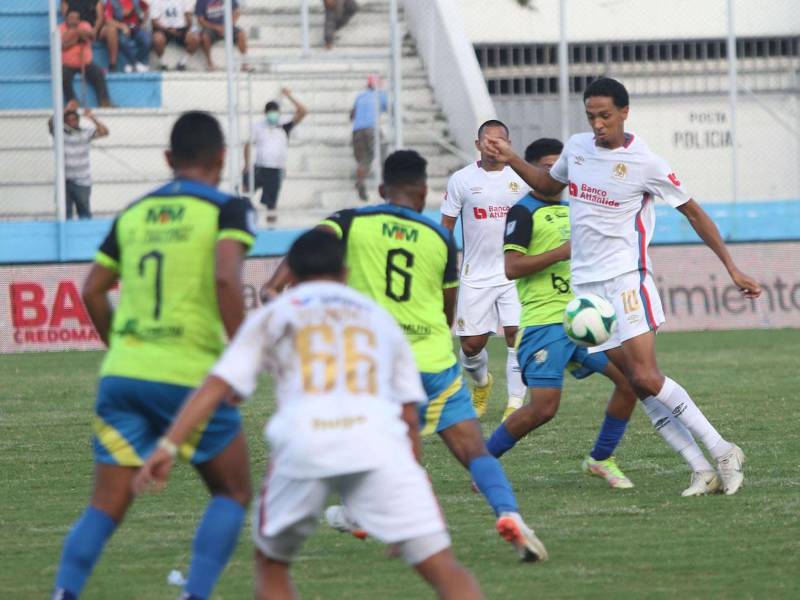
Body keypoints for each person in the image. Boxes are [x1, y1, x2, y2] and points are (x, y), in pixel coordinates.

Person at [134, 229, 484, 600]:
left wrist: (168, 446)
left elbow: (216, 386)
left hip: (304, 442)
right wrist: (411, 488)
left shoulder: (277, 313)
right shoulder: (380, 318)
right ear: (345, 273)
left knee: (271, 565)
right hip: (378, 444)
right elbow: (408, 414)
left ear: (293, 277)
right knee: (443, 567)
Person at [262, 150, 549, 562]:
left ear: (382, 188)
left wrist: (278, 293)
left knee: (363, 445)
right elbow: (447, 311)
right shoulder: (439, 238)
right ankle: (509, 513)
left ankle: (375, 513)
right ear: (423, 191)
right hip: (433, 360)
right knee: (474, 451)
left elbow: (304, 253)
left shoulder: (350, 221)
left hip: (374, 363)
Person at [485, 77, 761, 495]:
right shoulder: (577, 148)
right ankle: (700, 468)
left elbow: (693, 212)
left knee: (646, 376)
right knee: (636, 381)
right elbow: (547, 185)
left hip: (627, 281)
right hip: (587, 294)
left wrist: (731, 267)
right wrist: (511, 159)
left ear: (624, 113)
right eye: (591, 116)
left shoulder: (645, 162)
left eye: (605, 116)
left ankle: (723, 450)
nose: (597, 124)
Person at [51, 111, 256, 600]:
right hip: (189, 377)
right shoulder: (228, 209)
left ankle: (63, 593)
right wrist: (244, 358)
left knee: (105, 506)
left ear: (168, 159)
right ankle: (195, 594)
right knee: (233, 492)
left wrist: (122, 349)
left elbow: (92, 290)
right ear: (222, 157)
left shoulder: (134, 212)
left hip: (123, 374)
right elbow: (226, 277)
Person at [441, 120, 529, 422]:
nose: (493, 146)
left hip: (514, 272)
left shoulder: (522, 177)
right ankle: (481, 383)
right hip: (476, 273)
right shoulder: (462, 180)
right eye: (487, 141)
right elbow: (446, 228)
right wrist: (442, 266)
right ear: (477, 144)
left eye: (499, 141)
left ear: (508, 144)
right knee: (471, 346)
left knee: (516, 335)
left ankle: (515, 403)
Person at [243, 88, 308, 224]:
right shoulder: (258, 126)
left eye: (275, 111)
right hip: (259, 167)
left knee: (271, 205)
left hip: (275, 169)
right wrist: (246, 165)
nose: (273, 114)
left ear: (279, 113)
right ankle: (245, 221)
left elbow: (303, 111)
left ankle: (271, 228)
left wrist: (289, 96)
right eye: (270, 112)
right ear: (265, 113)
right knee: (244, 192)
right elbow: (248, 144)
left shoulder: (284, 126)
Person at [48, 101, 110, 220]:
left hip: (82, 182)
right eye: (68, 120)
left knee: (84, 213)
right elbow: (51, 123)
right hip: (64, 182)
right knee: (65, 215)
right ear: (64, 122)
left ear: (78, 120)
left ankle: (86, 232)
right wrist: (66, 109)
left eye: (74, 120)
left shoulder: (85, 133)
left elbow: (104, 132)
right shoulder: (59, 134)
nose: (71, 122)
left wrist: (92, 118)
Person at [60, 10, 113, 108]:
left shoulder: (85, 25)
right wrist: (77, 36)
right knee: (63, 77)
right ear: (66, 19)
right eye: (70, 18)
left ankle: (104, 101)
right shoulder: (60, 28)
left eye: (75, 18)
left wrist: (75, 35)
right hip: (68, 65)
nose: (72, 21)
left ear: (79, 20)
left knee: (98, 74)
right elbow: (63, 45)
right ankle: (72, 101)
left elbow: (91, 36)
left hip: (86, 63)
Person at [350, 75, 387, 201]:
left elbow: (352, 115)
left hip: (357, 131)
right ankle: (387, 183)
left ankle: (360, 181)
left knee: (363, 161)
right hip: (372, 129)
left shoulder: (360, 96)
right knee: (383, 153)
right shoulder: (380, 95)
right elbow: (391, 109)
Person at [195, 0, 248, 71]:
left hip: (228, 26)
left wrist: (228, 25)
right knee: (205, 36)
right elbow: (201, 20)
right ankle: (209, 63)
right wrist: (217, 28)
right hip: (211, 28)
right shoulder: (201, 1)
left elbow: (237, 12)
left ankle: (245, 63)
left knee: (241, 34)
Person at [101, 0, 152, 73]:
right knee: (122, 40)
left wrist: (143, 23)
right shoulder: (111, 2)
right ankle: (136, 64)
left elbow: (146, 8)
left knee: (147, 41)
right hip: (121, 29)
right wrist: (121, 26)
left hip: (135, 27)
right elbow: (108, 20)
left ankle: (134, 64)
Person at [150, 0, 200, 70]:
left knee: (195, 38)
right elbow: (154, 22)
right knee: (157, 39)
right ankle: (163, 64)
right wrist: (168, 30)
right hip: (164, 29)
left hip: (181, 29)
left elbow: (188, 15)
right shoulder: (156, 1)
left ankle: (182, 63)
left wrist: (189, 28)